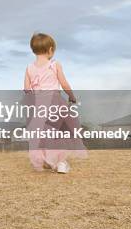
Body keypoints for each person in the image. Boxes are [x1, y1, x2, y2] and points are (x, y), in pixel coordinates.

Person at [23, 33, 87, 174]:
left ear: (33, 50)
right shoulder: (54, 65)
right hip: (54, 102)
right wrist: (71, 96)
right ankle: (60, 163)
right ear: (50, 50)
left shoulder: (28, 68)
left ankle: (47, 160)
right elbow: (64, 83)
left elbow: (27, 90)